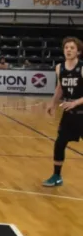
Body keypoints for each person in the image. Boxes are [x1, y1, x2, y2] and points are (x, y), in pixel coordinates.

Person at [43, 36, 83, 187]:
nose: (69, 50)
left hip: (81, 112)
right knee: (60, 143)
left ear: (78, 51)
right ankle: (56, 176)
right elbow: (60, 87)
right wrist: (52, 103)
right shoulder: (60, 68)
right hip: (69, 113)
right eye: (66, 47)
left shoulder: (82, 68)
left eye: (72, 48)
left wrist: (75, 103)